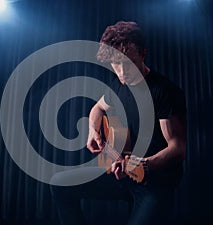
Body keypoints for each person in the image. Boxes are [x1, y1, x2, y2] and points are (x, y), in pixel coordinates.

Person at [50, 21, 187, 225]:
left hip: (154, 182)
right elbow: (97, 108)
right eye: (116, 64)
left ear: (142, 53)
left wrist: (142, 164)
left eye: (128, 63)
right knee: (59, 184)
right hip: (121, 174)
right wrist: (92, 131)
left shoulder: (164, 91)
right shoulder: (117, 86)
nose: (122, 71)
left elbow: (178, 148)